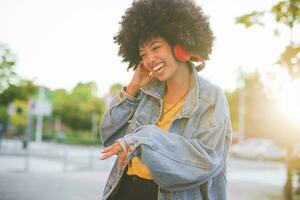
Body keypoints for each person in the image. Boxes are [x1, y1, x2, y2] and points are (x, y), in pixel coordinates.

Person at [99, 0, 232, 199]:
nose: (149, 59)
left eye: (156, 47)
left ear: (180, 45)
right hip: (126, 189)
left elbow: (205, 160)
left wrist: (142, 140)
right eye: (143, 54)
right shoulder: (145, 92)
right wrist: (133, 87)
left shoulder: (211, 97)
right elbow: (109, 137)